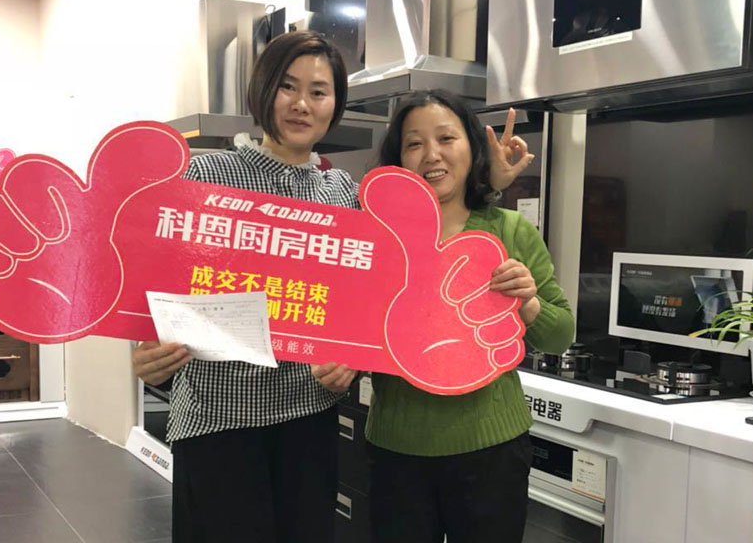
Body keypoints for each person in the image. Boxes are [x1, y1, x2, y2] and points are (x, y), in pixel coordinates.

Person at [130, 32, 533, 543]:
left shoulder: (344, 194)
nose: (302, 104)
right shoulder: (206, 176)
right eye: (288, 87)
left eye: (318, 92)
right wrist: (146, 350)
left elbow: (408, 264)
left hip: (308, 421)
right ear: (263, 90)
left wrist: (485, 182)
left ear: (334, 104)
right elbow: (155, 281)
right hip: (219, 422)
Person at [366, 89, 575, 543]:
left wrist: (529, 303)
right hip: (397, 451)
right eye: (414, 143)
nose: (432, 155)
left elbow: (560, 336)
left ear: (471, 146)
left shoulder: (510, 229)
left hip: (491, 451)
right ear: (398, 160)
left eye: (446, 138)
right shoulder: (378, 238)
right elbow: (360, 334)